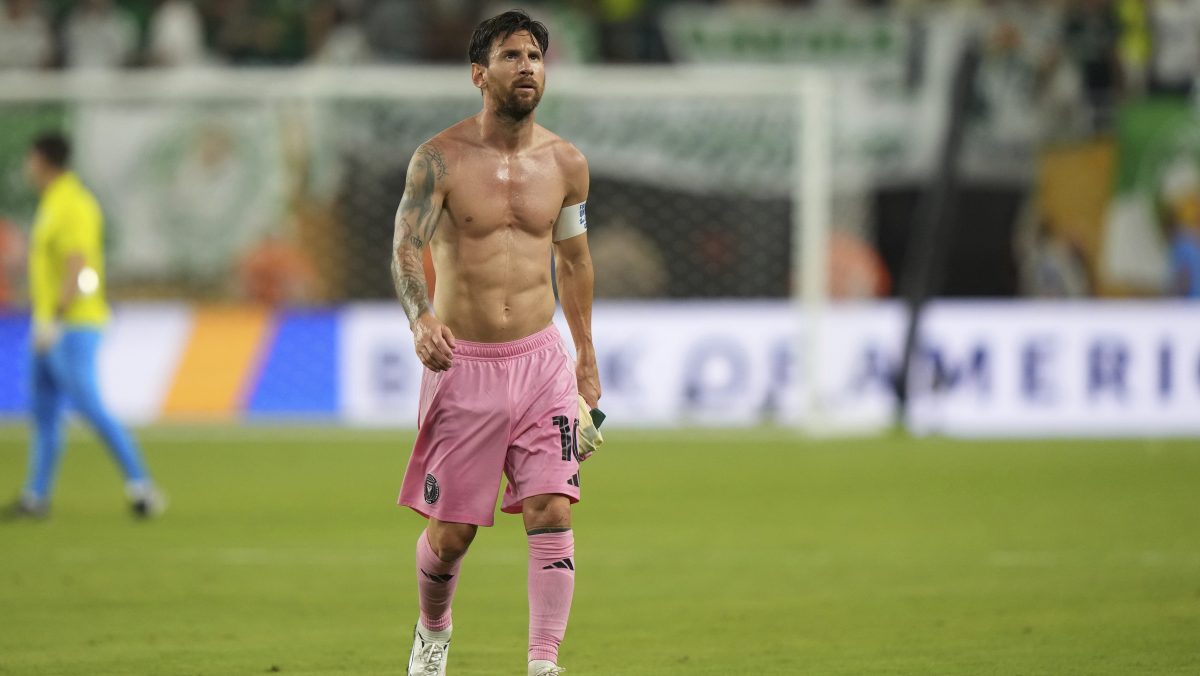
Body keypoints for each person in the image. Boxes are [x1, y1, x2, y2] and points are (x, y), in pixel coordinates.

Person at [390, 11, 601, 676]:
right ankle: (433, 631)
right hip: (465, 365)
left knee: (552, 509)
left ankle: (543, 663)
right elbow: (405, 246)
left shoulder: (566, 164)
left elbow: (574, 261)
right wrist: (421, 318)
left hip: (541, 364)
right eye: (511, 56)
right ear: (480, 75)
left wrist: (585, 359)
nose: (527, 67)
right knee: (452, 537)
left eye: (535, 55)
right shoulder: (439, 159)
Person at [4, 133, 163, 520]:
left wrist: (56, 319)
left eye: (30, 159)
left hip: (72, 326)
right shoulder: (52, 202)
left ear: (42, 160)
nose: (27, 167)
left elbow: (77, 266)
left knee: (90, 407)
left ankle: (142, 486)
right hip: (48, 323)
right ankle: (36, 496)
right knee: (43, 413)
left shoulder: (73, 204)